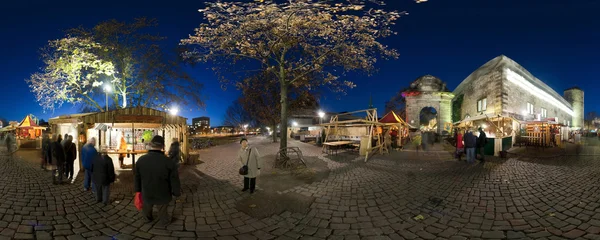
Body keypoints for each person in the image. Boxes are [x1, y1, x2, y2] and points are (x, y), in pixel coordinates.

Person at [135, 136, 181, 226]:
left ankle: (147, 219)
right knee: (163, 209)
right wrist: (176, 192)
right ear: (163, 146)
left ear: (151, 145)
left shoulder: (141, 160)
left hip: (147, 191)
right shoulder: (168, 162)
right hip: (163, 192)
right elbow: (174, 179)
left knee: (146, 208)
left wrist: (137, 190)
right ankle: (164, 221)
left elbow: (137, 177)